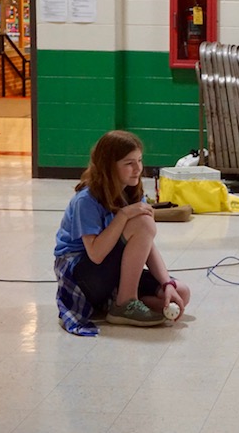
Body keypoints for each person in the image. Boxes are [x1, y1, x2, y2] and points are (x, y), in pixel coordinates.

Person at [53, 130, 191, 336]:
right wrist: (124, 215)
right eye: (129, 163)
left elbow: (146, 245)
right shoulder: (86, 200)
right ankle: (125, 303)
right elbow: (96, 254)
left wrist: (167, 283)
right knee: (143, 222)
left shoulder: (131, 191)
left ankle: (114, 303)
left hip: (111, 271)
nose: (138, 169)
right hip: (82, 274)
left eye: (140, 161)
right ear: (109, 166)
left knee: (181, 292)